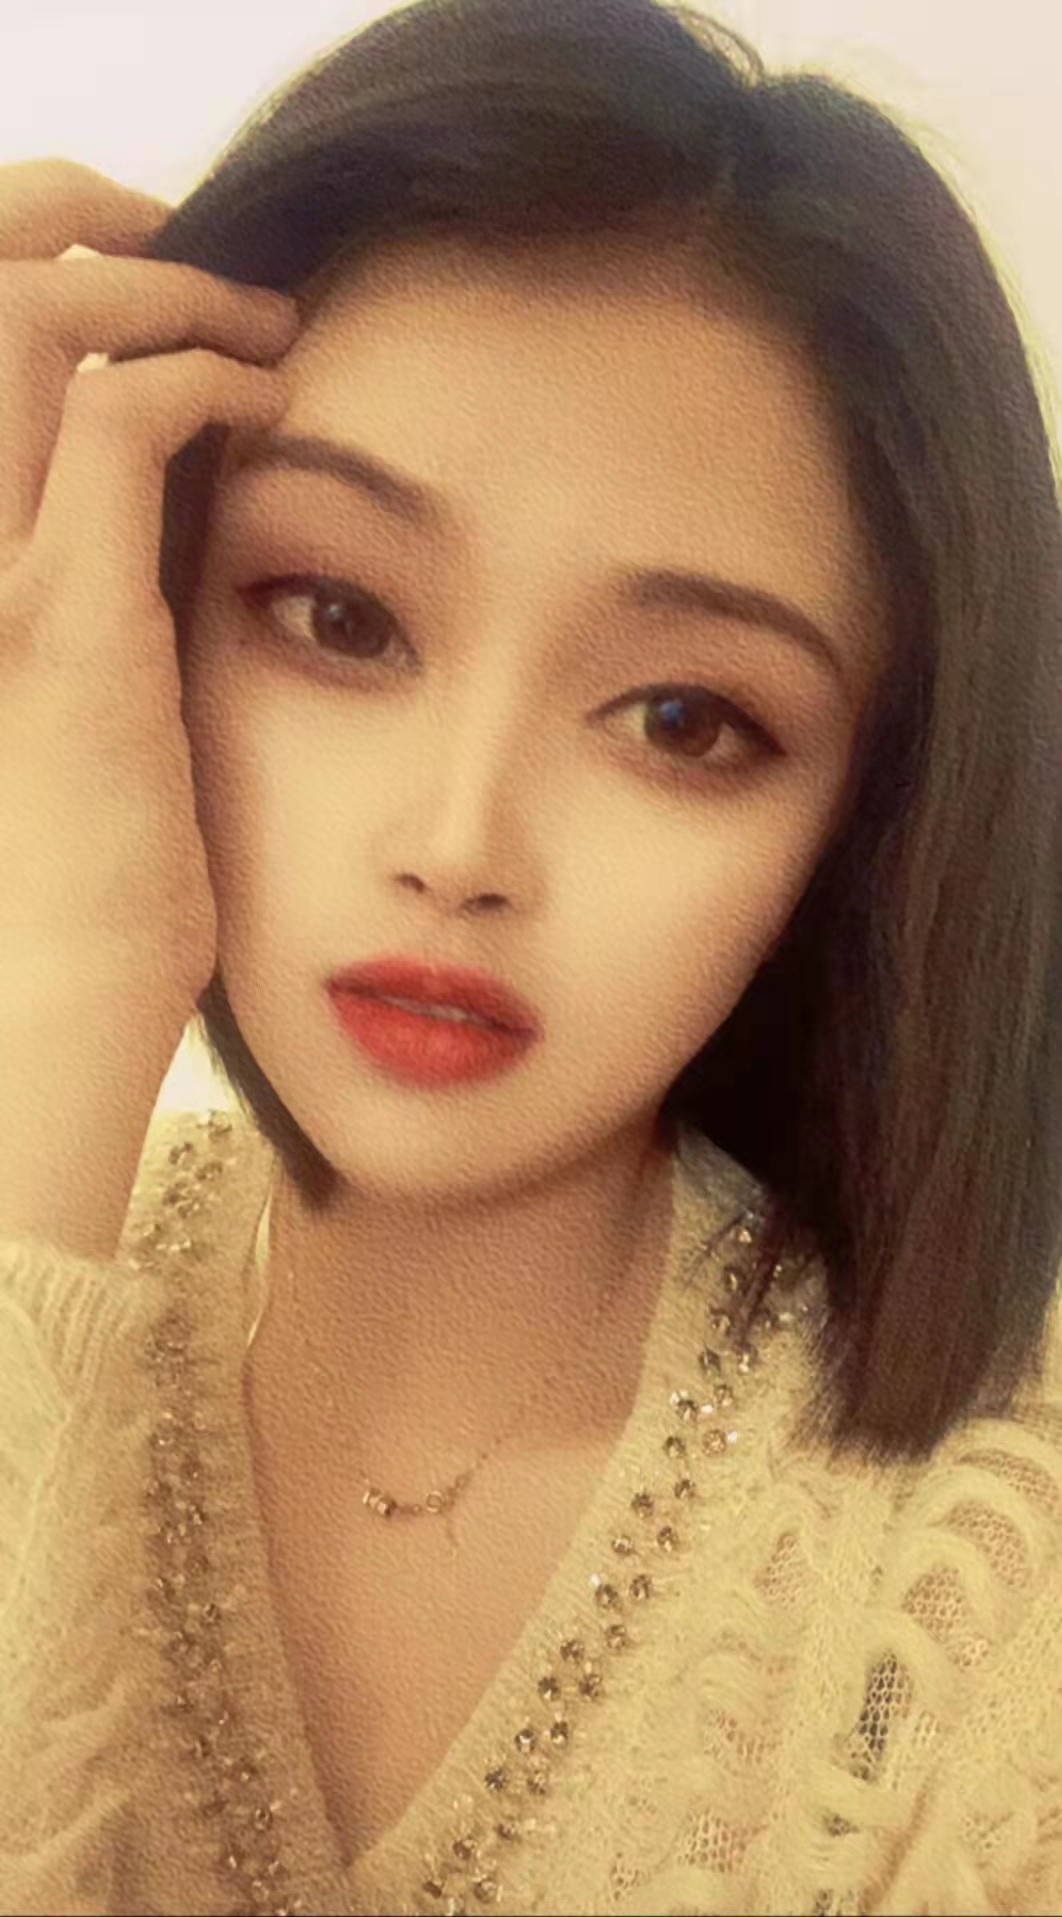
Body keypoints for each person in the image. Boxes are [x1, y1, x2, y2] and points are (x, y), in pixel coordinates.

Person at [0, 0, 1059, 1912]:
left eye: (681, 719)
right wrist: (51, 998)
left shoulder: (988, 1592)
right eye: (337, 614)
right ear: (148, 601)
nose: (459, 845)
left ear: (863, 816)